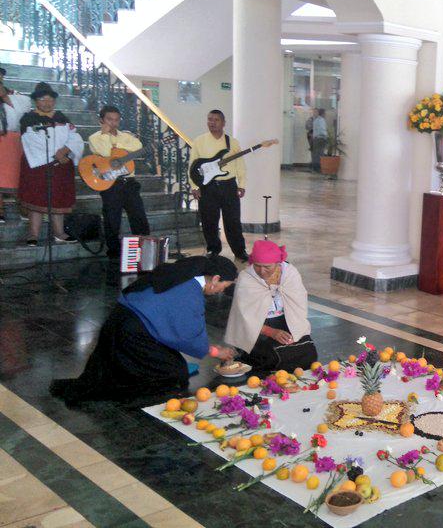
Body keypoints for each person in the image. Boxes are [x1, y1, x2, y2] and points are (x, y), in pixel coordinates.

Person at [49, 255, 239, 404]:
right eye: (224, 286)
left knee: (174, 365)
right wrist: (216, 351)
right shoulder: (190, 292)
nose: (221, 291)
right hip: (131, 334)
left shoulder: (183, 274)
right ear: (215, 278)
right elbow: (188, 335)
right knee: (175, 374)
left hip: (120, 321)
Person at [224, 241, 317, 373]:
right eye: (257, 266)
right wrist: (271, 332)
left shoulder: (290, 274)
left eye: (267, 267)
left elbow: (299, 307)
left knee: (308, 352)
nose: (262, 271)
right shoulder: (246, 278)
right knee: (273, 356)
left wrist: (294, 331)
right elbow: (243, 317)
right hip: (258, 328)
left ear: (278, 263)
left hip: (288, 320)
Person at [18, 82, 84, 246]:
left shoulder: (62, 118)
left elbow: (75, 137)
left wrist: (66, 150)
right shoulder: (29, 119)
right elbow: (31, 141)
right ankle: (33, 234)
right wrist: (57, 154)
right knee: (36, 200)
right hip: (38, 166)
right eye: (43, 99)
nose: (47, 103)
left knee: (58, 199)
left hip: (61, 166)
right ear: (36, 101)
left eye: (50, 99)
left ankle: (59, 233)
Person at [88, 105, 152, 259]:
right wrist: (106, 136)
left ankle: (143, 252)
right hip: (110, 183)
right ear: (101, 120)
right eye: (109, 119)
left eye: (116, 120)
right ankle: (114, 254)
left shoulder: (126, 136)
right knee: (112, 219)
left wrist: (117, 146)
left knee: (139, 217)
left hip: (129, 182)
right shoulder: (94, 138)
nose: (113, 123)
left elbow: (138, 146)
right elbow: (105, 153)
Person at [189, 110, 248, 261]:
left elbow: (240, 164)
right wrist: (194, 186)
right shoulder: (199, 141)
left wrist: (241, 184)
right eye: (210, 119)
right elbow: (192, 166)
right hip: (207, 187)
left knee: (233, 221)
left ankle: (240, 251)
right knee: (209, 220)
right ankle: (213, 250)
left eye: (216, 120)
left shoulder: (232, 142)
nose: (212, 123)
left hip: (229, 185)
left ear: (223, 123)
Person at [0, 71, 32, 223]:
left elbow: (24, 112)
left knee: (17, 176)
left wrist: (5, 98)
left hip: (13, 141)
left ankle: (24, 209)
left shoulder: (15, 94)